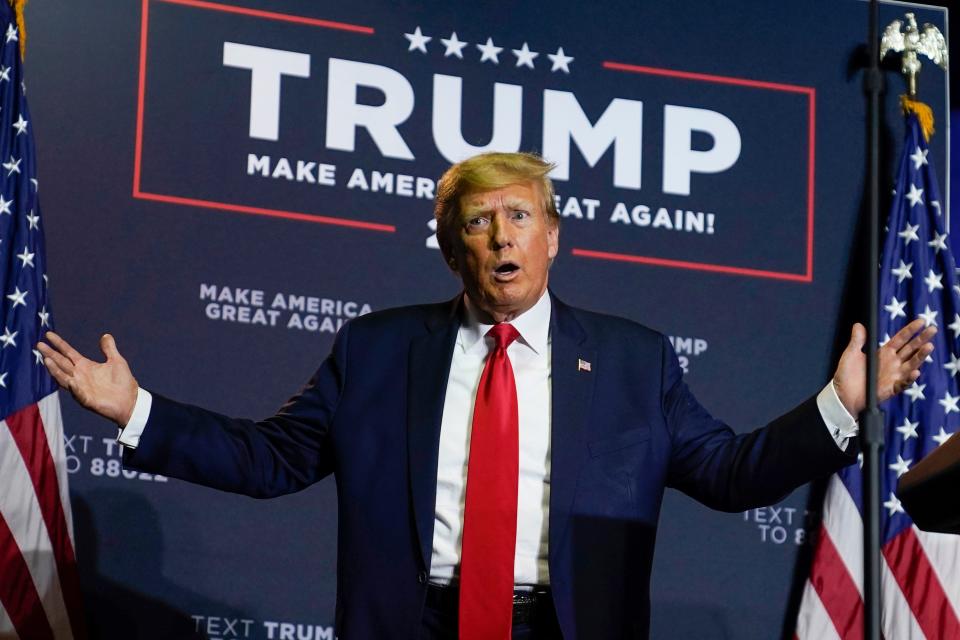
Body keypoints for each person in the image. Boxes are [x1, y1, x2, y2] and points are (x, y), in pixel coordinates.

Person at [38, 152, 934, 639]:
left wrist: (841, 406)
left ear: (553, 237)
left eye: (518, 217)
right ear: (449, 247)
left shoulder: (634, 361)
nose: (500, 237)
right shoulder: (380, 349)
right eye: (477, 221)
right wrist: (137, 410)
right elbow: (272, 460)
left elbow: (731, 473)